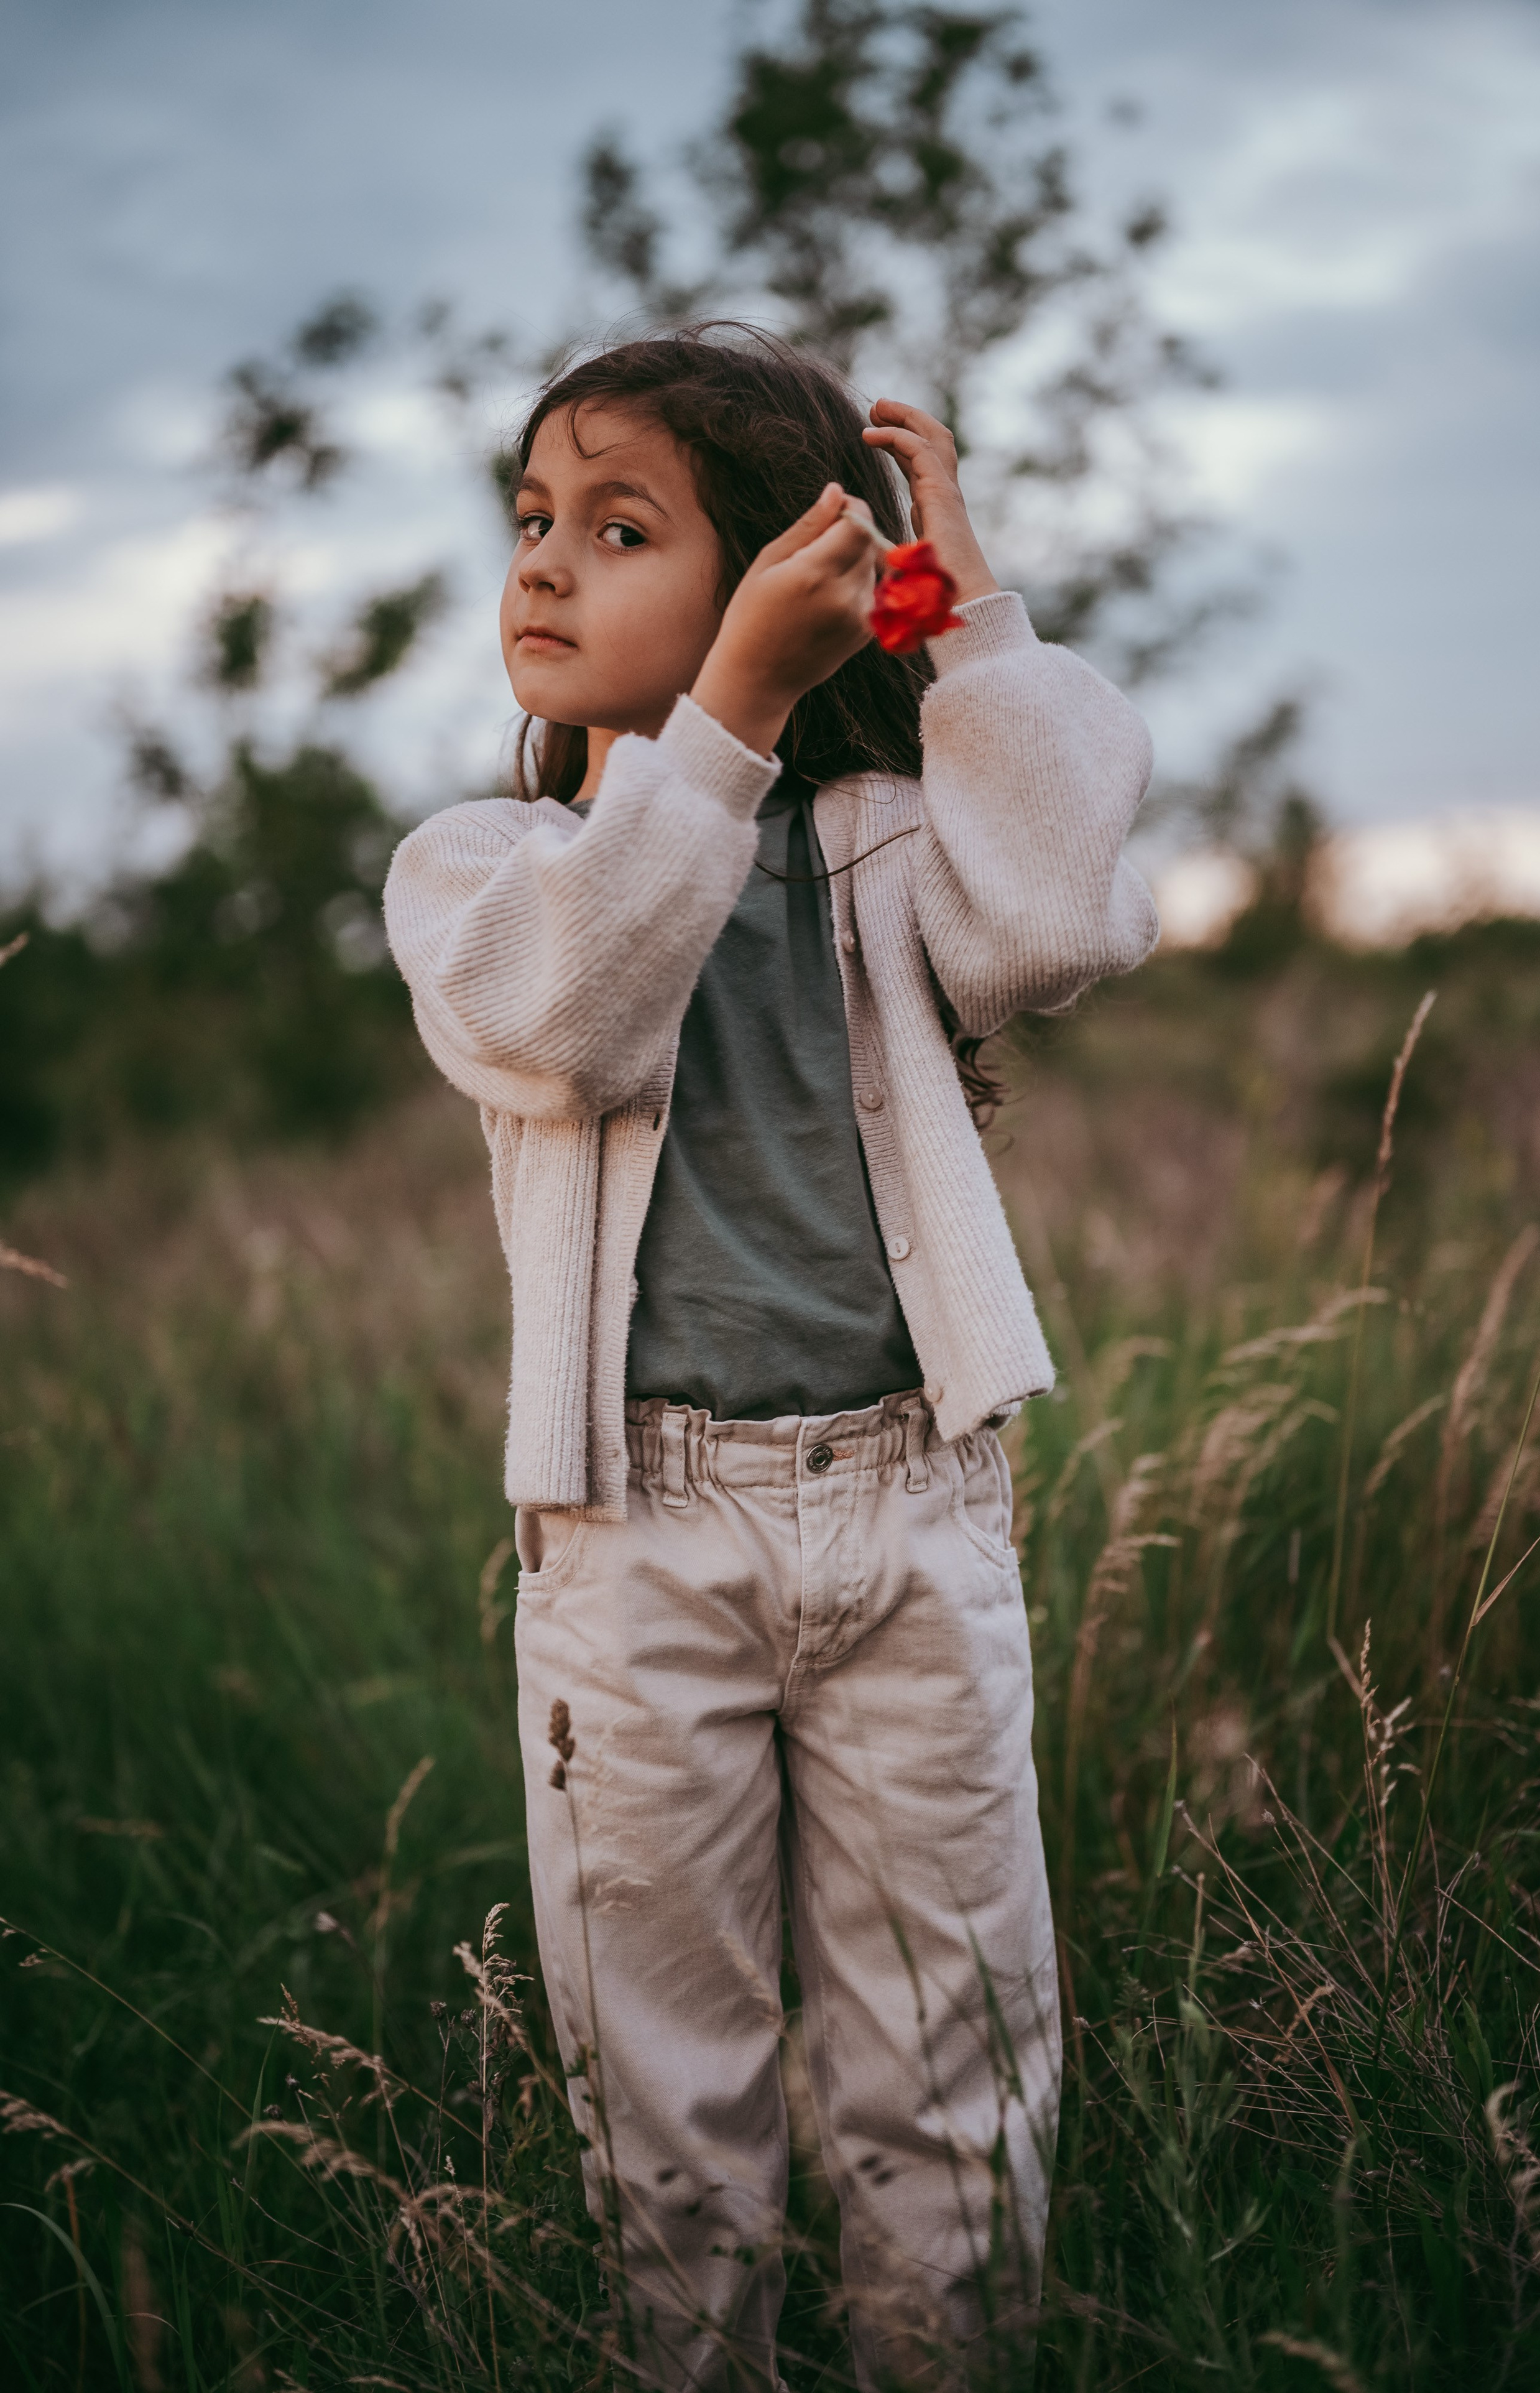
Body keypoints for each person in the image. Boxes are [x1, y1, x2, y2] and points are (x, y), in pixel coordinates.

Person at [384, 326, 1157, 2391]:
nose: (543, 563)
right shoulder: (481, 874)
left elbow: (1062, 920)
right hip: (637, 1546)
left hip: (914, 1509)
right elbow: (568, 1022)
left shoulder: (890, 839)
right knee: (670, 2105)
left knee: (953, 2059)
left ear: (775, 576)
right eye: (533, 518)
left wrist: (968, 610)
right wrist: (726, 708)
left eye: (620, 527)